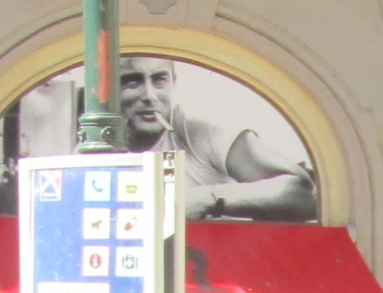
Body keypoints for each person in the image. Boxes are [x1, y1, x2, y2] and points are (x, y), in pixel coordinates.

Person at [116, 56, 317, 222]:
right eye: (132, 81)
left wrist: (209, 198)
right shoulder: (90, 145)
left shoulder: (197, 130)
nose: (150, 96)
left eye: (159, 80)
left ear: (173, 83)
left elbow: (304, 193)